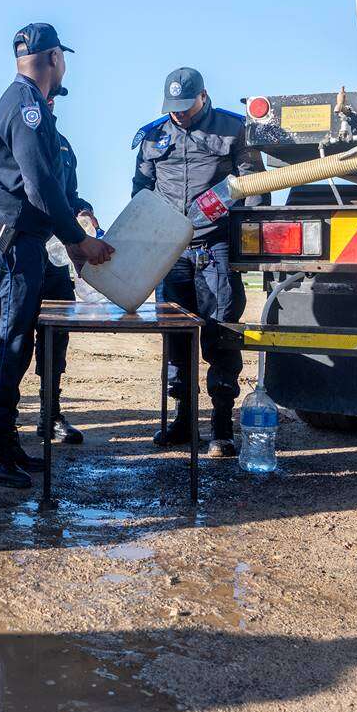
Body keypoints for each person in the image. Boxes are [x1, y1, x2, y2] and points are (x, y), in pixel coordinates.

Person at [0, 23, 114, 489]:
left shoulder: (24, 102)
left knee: (17, 343)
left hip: (21, 239)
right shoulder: (26, 105)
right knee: (6, 342)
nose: (64, 65)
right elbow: (39, 184)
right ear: (53, 58)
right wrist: (77, 239)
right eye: (63, 58)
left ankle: (5, 443)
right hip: (9, 239)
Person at [133, 66, 265, 458]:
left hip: (216, 248)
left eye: (187, 107)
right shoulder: (153, 135)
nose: (180, 114)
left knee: (220, 335)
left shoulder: (233, 129)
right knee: (176, 336)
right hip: (171, 250)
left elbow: (255, 188)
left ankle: (221, 429)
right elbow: (141, 190)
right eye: (173, 108)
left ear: (203, 97)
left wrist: (249, 249)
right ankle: (182, 421)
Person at [0, 100, 98, 445]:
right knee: (9, 336)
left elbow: (66, 198)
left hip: (53, 257)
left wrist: (85, 215)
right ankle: (1, 430)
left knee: (55, 335)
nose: (46, 101)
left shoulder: (61, 145)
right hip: (8, 250)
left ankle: (50, 414)